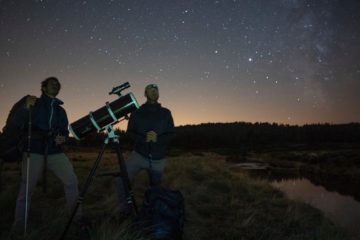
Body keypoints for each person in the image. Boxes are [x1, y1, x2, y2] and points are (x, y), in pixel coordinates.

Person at [11, 77, 84, 234]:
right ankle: (18, 227)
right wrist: (25, 107)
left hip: (55, 152)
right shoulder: (33, 103)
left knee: (71, 181)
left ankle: (77, 219)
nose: (56, 85)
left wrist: (63, 138)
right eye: (52, 83)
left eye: (58, 84)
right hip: (34, 151)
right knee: (27, 189)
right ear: (43, 88)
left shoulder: (60, 110)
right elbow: (17, 121)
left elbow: (64, 131)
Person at [117, 83, 175, 217]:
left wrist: (158, 138)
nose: (154, 92)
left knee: (155, 188)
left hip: (157, 158)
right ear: (145, 94)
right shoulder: (136, 112)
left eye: (156, 90)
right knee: (121, 180)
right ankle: (126, 211)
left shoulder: (166, 113)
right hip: (138, 155)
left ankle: (153, 213)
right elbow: (130, 132)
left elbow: (171, 133)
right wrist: (143, 138)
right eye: (151, 90)